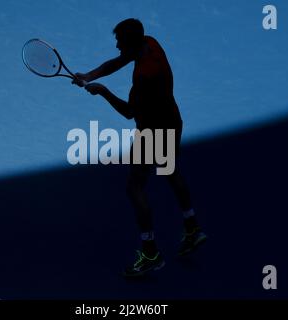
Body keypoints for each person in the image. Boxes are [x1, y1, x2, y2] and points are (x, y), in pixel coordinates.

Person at [73, 18, 206, 277]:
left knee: (134, 187)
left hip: (152, 131)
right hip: (172, 121)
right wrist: (89, 75)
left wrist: (102, 91)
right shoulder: (149, 43)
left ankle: (150, 253)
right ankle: (192, 227)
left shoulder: (146, 78)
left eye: (120, 42)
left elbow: (128, 112)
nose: (117, 46)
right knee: (170, 171)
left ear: (132, 43)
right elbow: (119, 61)